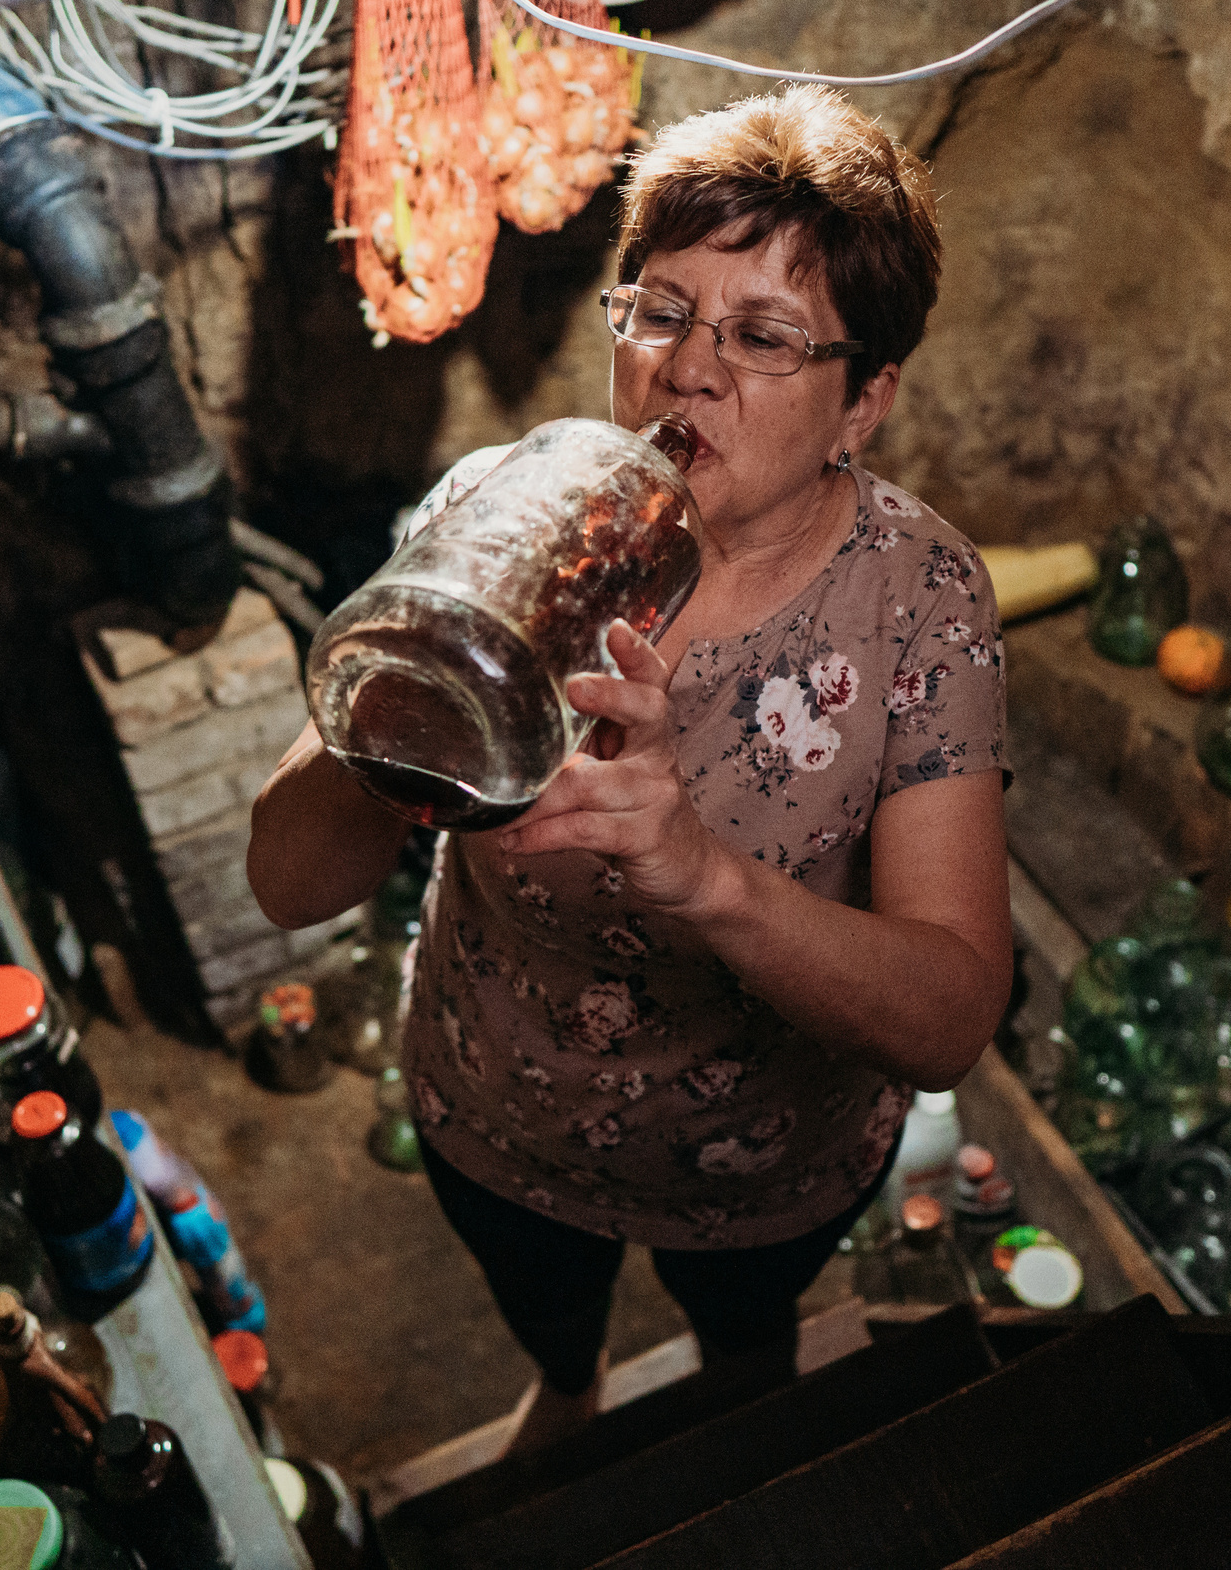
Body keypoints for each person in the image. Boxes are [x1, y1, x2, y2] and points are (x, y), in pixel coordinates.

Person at [249, 85, 1011, 1449]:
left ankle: (738, 1389)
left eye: (765, 336)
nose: (686, 371)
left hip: (769, 1155)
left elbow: (951, 1015)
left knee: (747, 1341)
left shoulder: (921, 597)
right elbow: (287, 883)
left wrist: (702, 875)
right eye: (659, 310)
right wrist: (399, 713)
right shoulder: (502, 515)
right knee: (546, 1307)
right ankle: (568, 1381)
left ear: (865, 401)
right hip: (497, 1107)